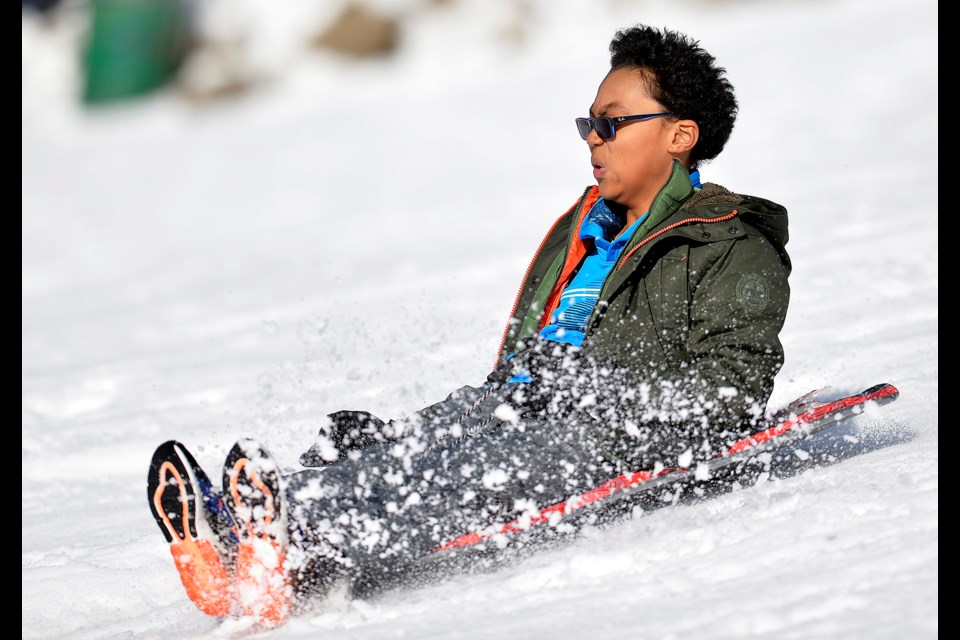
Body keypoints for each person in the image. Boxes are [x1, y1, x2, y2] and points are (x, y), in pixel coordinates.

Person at [147, 24, 791, 628]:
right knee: (401, 446)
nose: (592, 138)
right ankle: (248, 525)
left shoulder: (729, 245)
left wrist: (598, 392)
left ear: (680, 136)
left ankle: (294, 537)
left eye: (611, 123)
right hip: (525, 400)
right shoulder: (587, 231)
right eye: (588, 124)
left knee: (469, 469)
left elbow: (732, 390)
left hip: (613, 435)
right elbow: (527, 357)